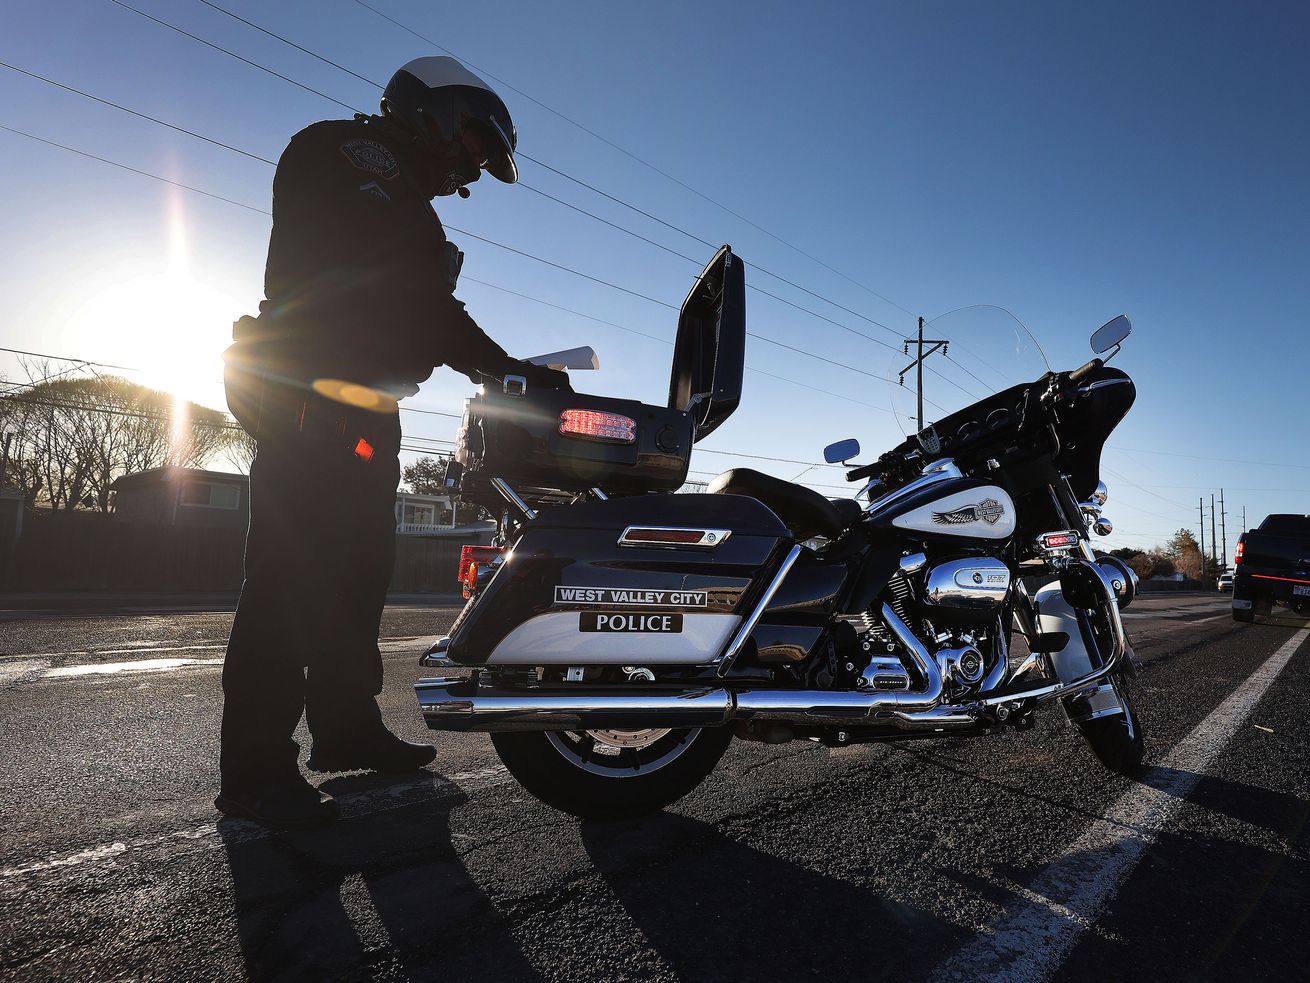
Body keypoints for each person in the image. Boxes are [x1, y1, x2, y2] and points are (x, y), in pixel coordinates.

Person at [217, 56, 570, 829]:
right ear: (436, 110)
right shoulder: (345, 154)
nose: (469, 171)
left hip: (367, 412)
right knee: (289, 580)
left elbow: (420, 305)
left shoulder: (408, 197)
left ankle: (345, 729)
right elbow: (415, 303)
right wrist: (511, 370)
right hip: (311, 397)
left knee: (356, 576)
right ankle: (252, 771)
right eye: (472, 146)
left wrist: (508, 371)